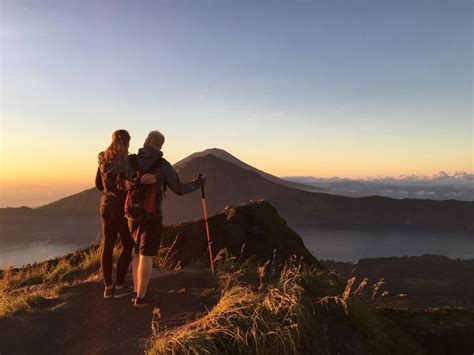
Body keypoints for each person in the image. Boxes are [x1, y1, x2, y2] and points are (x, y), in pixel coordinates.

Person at [121, 130, 205, 308]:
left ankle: (137, 291)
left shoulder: (130, 161)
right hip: (152, 216)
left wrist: (136, 181)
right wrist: (198, 183)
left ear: (146, 141)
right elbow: (179, 189)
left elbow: (120, 182)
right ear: (160, 146)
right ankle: (141, 298)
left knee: (136, 252)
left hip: (131, 215)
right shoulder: (163, 165)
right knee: (146, 255)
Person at [95, 129, 135, 299]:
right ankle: (119, 285)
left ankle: (108, 287)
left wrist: (108, 193)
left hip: (105, 206)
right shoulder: (127, 161)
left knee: (108, 246)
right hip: (122, 208)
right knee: (127, 245)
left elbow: (98, 183)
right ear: (126, 142)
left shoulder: (103, 157)